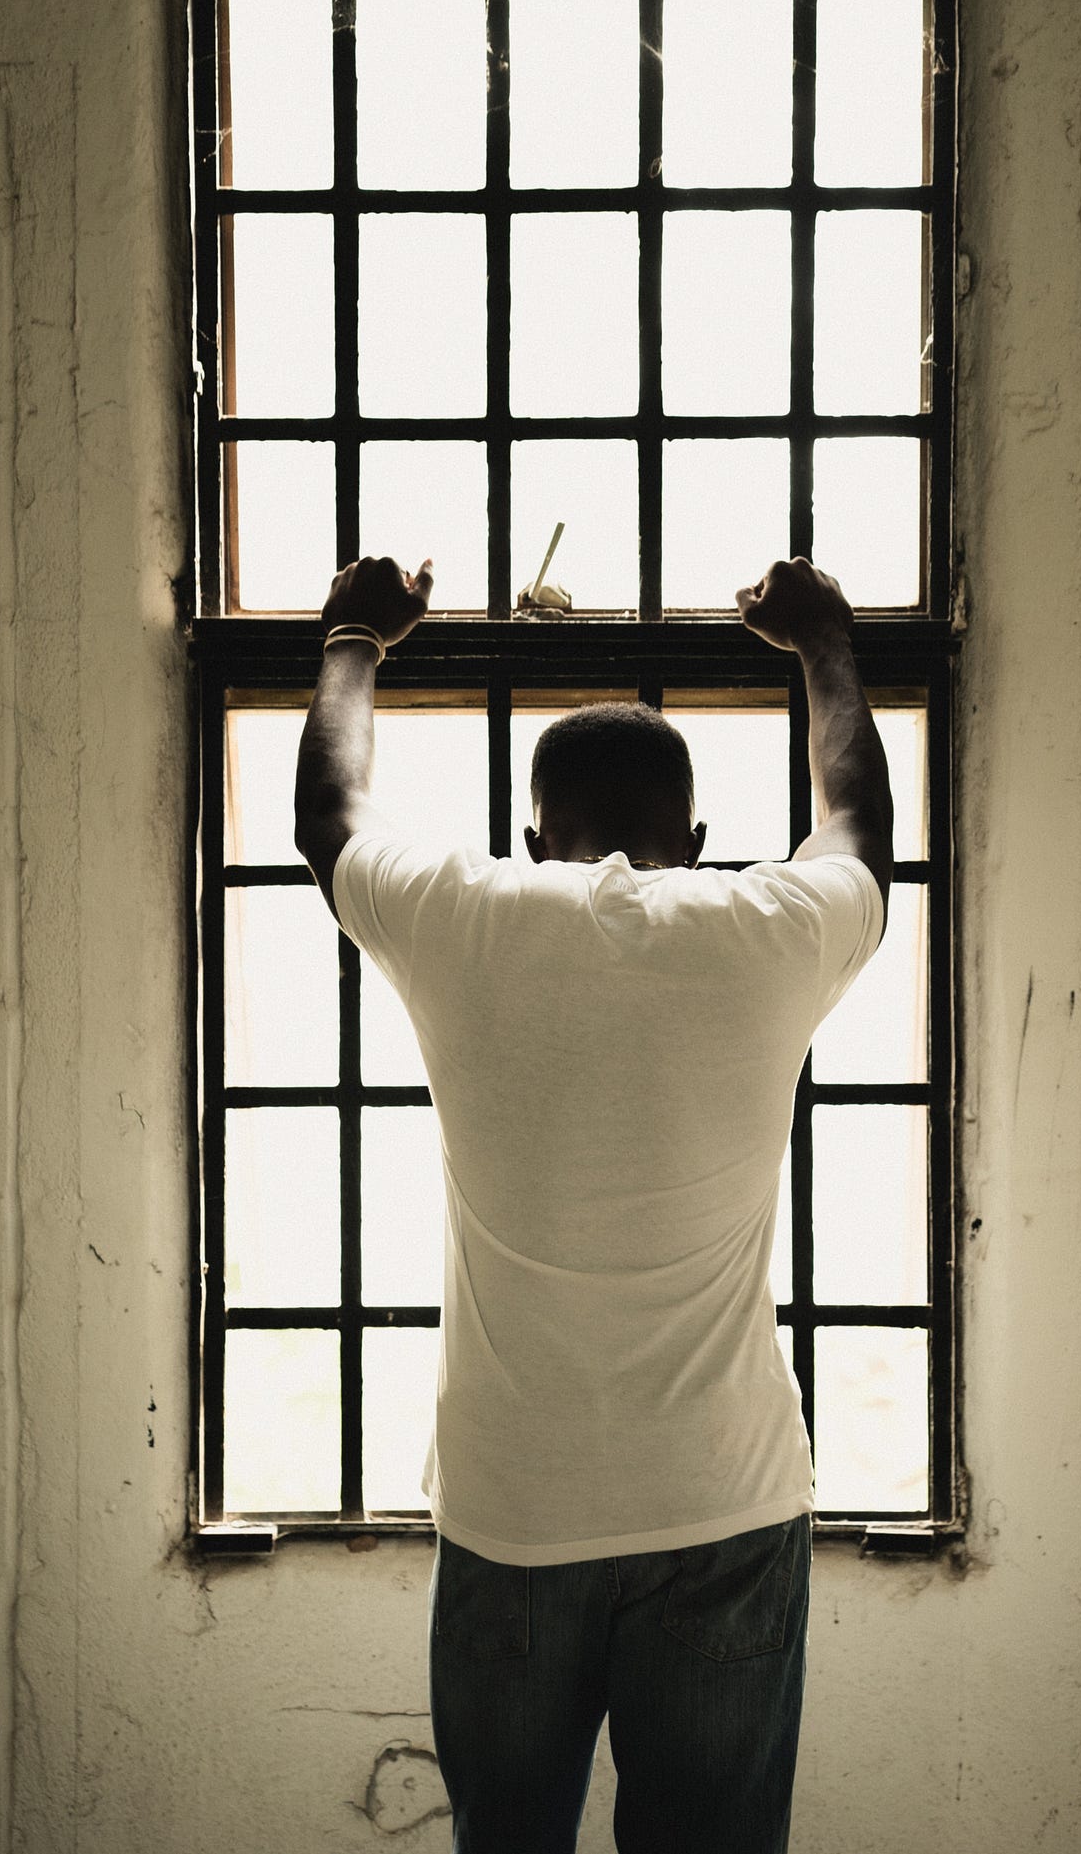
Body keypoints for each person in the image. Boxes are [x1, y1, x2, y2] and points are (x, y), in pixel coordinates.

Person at [294, 554, 894, 1854]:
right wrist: (825, 645)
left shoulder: (474, 915)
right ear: (692, 841)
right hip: (724, 1501)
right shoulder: (759, 926)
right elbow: (857, 827)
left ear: (532, 836)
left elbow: (329, 819)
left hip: (514, 1509)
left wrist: (355, 633)